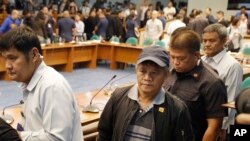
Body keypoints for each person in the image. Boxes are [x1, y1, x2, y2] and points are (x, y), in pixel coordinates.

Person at [0, 26, 83, 141]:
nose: (7, 66)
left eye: (12, 58)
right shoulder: (30, 82)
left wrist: (16, 136)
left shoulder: (52, 86)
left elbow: (57, 138)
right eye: (5, 59)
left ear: (34, 55)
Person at [97, 46, 194, 141]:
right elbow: (104, 133)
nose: (147, 78)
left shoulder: (177, 109)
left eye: (154, 73)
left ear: (166, 75)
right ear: (136, 70)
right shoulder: (118, 97)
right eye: (142, 71)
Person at [163, 29, 228, 141]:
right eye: (172, 57)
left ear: (197, 55)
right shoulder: (168, 71)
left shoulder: (212, 82)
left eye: (181, 58)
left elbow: (214, 128)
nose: (175, 62)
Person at [202, 23, 243, 140]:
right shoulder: (202, 60)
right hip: (200, 120)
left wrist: (222, 128)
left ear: (225, 41)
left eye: (211, 40)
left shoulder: (232, 66)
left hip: (217, 125)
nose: (207, 44)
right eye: (204, 41)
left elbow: (230, 101)